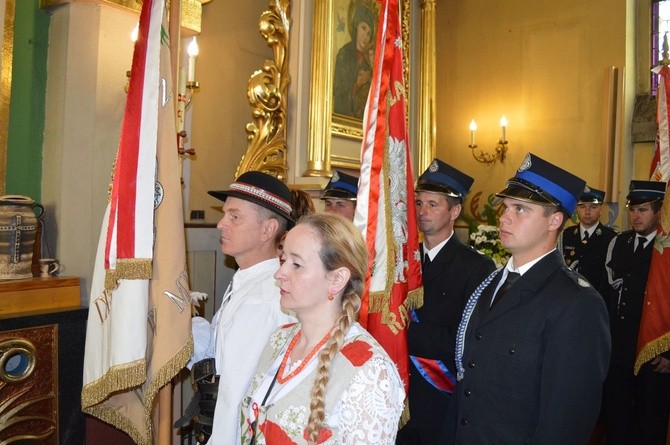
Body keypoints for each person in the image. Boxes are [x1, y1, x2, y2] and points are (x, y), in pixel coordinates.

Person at [444, 153, 611, 444]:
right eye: (506, 206)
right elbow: (466, 387)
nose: (504, 216)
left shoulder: (577, 303)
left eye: (520, 209)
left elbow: (566, 421)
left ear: (554, 220)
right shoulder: (490, 282)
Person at [240, 213, 405, 443]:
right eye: (283, 259)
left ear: (337, 279)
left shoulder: (369, 370)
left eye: (296, 264)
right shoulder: (279, 339)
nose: (280, 273)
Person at [186, 171, 296, 444]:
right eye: (224, 214)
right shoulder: (250, 281)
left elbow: (234, 396)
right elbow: (220, 352)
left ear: (268, 229)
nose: (221, 224)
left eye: (234, 217)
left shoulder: (265, 296)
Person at [397, 158, 495, 444]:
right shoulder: (401, 262)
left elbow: (466, 341)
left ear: (454, 211)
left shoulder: (476, 267)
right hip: (398, 393)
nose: (422, 212)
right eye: (418, 203)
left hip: (440, 397)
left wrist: (404, 332)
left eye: (432, 204)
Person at [601, 180, 670, 445]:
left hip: (653, 351)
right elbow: (606, 294)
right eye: (633, 209)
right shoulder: (620, 243)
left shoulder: (665, 251)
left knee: (649, 418)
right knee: (617, 416)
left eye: (643, 210)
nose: (635, 216)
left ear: (658, 211)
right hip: (619, 348)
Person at [557, 186, 617, 291]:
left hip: (598, 298)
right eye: (582, 207)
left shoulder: (611, 238)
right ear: (577, 209)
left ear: (601, 209)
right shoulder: (566, 236)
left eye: (593, 207)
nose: (587, 212)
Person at [333, 1, 376, 119]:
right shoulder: (344, 54)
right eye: (363, 28)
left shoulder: (370, 61)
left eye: (369, 33)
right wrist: (357, 84)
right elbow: (339, 97)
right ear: (356, 26)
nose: (365, 37)